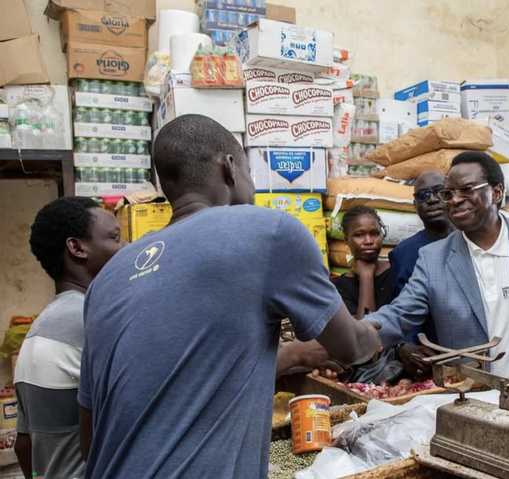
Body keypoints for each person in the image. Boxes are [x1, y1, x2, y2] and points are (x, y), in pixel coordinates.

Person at [77, 115, 382, 478]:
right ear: (230, 167)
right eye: (250, 171)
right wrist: (380, 330)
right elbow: (349, 347)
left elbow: (90, 433)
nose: (252, 185)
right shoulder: (267, 231)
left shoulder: (107, 278)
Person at [366, 151, 509, 379]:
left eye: (467, 190)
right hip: (474, 398)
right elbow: (398, 314)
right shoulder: (433, 258)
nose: (455, 199)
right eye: (448, 193)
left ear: (496, 192)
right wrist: (352, 334)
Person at [15, 197, 127, 479]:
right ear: (77, 248)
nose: (126, 248)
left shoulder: (42, 326)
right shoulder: (88, 319)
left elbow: (23, 445)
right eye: (115, 238)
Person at [388, 171, 455, 376]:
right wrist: (405, 346)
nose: (432, 200)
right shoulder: (405, 253)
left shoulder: (473, 242)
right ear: (415, 205)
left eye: (438, 192)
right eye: (423, 195)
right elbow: (404, 309)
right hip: (432, 360)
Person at [331, 206, 394, 319]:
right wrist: (366, 276)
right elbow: (363, 331)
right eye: (359, 235)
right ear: (347, 240)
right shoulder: (339, 286)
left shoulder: (396, 271)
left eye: (375, 234)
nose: (369, 241)